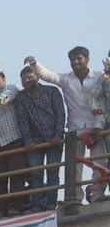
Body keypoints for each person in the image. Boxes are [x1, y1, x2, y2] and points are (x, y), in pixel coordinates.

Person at [26, 47, 106, 203]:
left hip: (96, 127)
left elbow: (102, 103)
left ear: (87, 59)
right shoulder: (66, 80)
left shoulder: (98, 77)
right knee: (74, 165)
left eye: (79, 58)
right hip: (75, 129)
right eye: (73, 59)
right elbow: (48, 76)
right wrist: (34, 64)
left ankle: (97, 194)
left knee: (99, 163)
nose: (76, 62)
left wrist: (98, 127)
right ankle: (74, 197)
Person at [15, 65, 67, 211]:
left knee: (52, 172)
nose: (27, 80)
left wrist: (58, 134)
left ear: (38, 76)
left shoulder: (52, 91)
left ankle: (51, 203)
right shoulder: (21, 97)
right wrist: (28, 140)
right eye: (24, 78)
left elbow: (60, 114)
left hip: (54, 138)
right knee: (36, 174)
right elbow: (22, 120)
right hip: (34, 142)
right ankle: (37, 205)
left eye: (30, 77)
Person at [0, 66, 30, 217]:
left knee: (17, 176)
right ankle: (1, 210)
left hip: (13, 139)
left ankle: (15, 207)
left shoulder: (11, 89)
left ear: (3, 79)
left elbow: (8, 93)